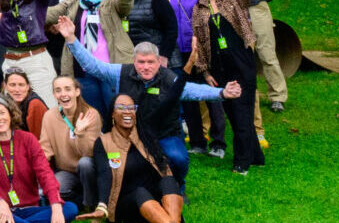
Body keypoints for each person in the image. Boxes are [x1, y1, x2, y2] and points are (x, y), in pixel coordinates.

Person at [59, 33, 237, 183]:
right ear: (134, 61)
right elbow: (93, 66)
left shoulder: (169, 79)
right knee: (117, 161)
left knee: (179, 159)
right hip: (130, 135)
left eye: (150, 62)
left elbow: (193, 91)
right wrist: (71, 39)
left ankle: (178, 187)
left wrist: (221, 93)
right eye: (141, 62)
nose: (145, 67)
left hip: (165, 134)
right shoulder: (121, 73)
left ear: (159, 62)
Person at [187, 0, 266, 174]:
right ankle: (256, 155)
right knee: (234, 113)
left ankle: (242, 162)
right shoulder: (199, 8)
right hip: (219, 68)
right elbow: (200, 44)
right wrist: (205, 72)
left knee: (242, 111)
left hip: (242, 63)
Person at [87, 93, 189, 223]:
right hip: (127, 205)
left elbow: (163, 167)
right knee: (139, 192)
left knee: (168, 179)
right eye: (121, 107)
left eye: (131, 108)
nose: (127, 111)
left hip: (155, 205)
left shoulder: (146, 136)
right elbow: (103, 174)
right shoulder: (104, 142)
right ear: (113, 114)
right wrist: (102, 205)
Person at [0, 93, 77, 223]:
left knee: (70, 208)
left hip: (30, 207)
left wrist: (56, 206)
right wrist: (0, 202)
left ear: (11, 114)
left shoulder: (27, 139)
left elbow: (45, 173)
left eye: (2, 112)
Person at [39, 74, 103, 210]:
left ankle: (89, 205)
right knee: (56, 189)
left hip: (89, 168)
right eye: (58, 90)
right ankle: (80, 199)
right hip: (66, 170)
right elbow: (45, 148)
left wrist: (80, 133)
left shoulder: (91, 114)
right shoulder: (49, 116)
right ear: (54, 94)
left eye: (68, 89)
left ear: (77, 92)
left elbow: (89, 153)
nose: (63, 94)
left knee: (84, 163)